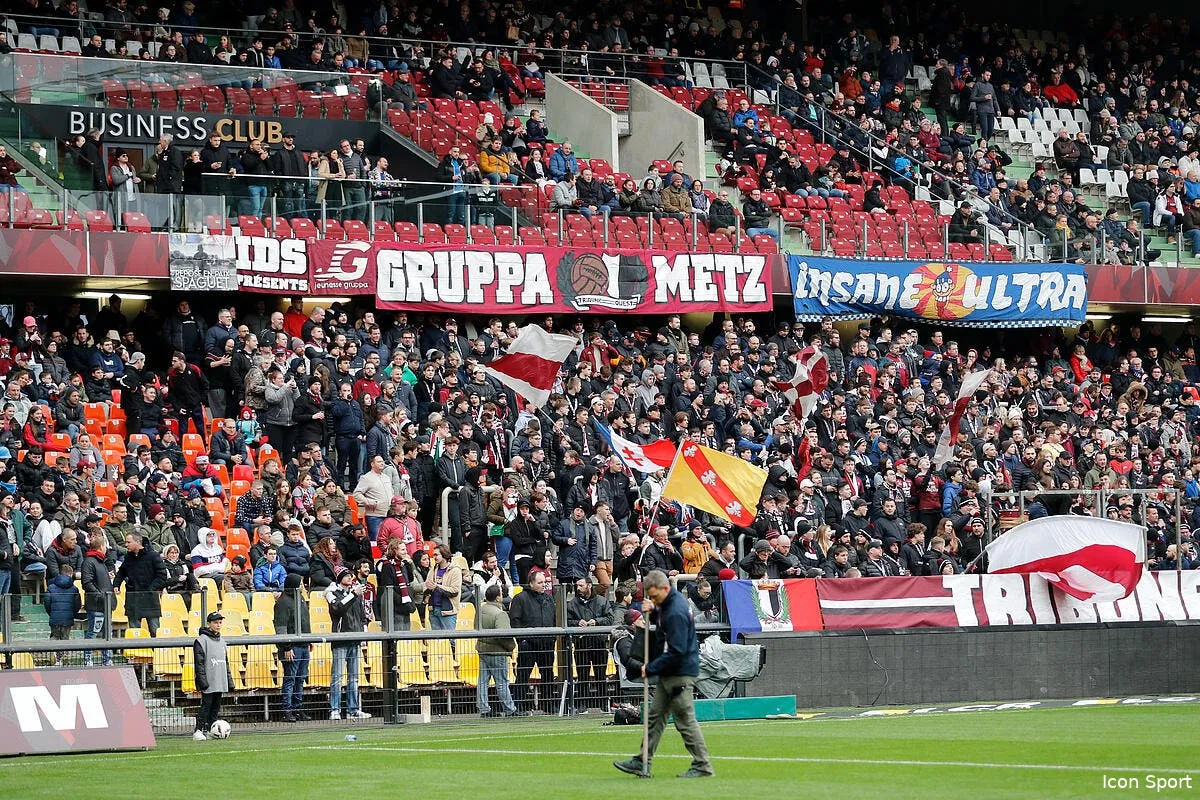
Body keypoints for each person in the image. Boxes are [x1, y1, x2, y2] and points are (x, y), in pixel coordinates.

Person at [614, 569, 713, 778]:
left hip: (680, 671)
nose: (653, 599)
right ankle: (642, 761)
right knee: (655, 717)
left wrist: (649, 668)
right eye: (650, 597)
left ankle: (703, 765)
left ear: (666, 588)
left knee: (684, 719)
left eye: (656, 596)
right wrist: (655, 609)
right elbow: (663, 623)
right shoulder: (668, 604)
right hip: (669, 671)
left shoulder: (676, 611)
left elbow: (676, 651)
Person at [325, 567, 371, 720]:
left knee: (354, 677)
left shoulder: (355, 595)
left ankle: (353, 709)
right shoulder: (332, 593)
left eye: (351, 575)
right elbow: (337, 609)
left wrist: (363, 634)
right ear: (340, 578)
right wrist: (352, 595)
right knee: (337, 677)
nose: (351, 578)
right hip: (340, 640)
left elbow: (362, 616)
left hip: (355, 639)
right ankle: (335, 709)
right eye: (347, 576)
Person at [509, 569, 556, 713]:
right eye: (540, 582)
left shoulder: (549, 599)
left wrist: (552, 638)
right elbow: (515, 620)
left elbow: (554, 618)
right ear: (531, 583)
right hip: (528, 644)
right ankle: (518, 705)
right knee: (523, 676)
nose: (543, 585)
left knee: (547, 676)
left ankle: (548, 705)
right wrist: (522, 639)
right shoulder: (520, 598)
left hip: (546, 643)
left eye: (545, 582)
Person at [477, 583, 519, 717]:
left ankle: (484, 709)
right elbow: (503, 636)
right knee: (501, 682)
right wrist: (511, 647)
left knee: (483, 681)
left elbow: (475, 627)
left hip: (482, 649)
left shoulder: (480, 610)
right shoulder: (500, 614)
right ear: (497, 598)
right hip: (497, 651)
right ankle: (509, 709)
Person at [274, 573, 311, 721]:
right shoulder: (283, 602)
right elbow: (281, 627)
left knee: (300, 678)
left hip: (303, 644)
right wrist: (286, 647)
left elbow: (304, 620)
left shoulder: (299, 598)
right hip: (292, 647)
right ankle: (287, 710)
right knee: (290, 678)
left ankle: (297, 709)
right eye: (300, 583)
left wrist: (309, 639)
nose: (303, 586)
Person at [116, 533, 168, 635]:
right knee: (134, 631)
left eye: (128, 542)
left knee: (155, 630)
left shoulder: (153, 556)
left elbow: (162, 576)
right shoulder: (128, 557)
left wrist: (151, 589)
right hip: (133, 599)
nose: (126, 545)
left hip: (150, 599)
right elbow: (121, 572)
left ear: (138, 542)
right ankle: (136, 651)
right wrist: (116, 585)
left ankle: (157, 650)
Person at [192, 611, 231, 740]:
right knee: (206, 706)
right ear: (209, 624)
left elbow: (226, 662)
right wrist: (202, 680)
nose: (218, 625)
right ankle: (198, 730)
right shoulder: (201, 641)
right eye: (215, 622)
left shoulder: (222, 641)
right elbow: (200, 663)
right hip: (209, 679)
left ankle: (209, 729)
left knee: (215, 707)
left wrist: (229, 680)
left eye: (220, 622)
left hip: (219, 679)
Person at [424, 544, 462, 631]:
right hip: (433, 610)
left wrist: (436, 587)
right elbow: (427, 586)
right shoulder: (433, 569)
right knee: (437, 642)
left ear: (444, 554)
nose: (434, 557)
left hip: (448, 612)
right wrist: (427, 590)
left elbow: (454, 591)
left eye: (436, 555)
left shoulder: (455, 570)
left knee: (450, 641)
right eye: (434, 555)